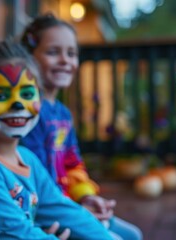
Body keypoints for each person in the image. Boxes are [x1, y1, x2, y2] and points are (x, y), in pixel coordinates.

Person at [0, 39, 113, 240]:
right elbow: (17, 233)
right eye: (1, 95)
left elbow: (62, 209)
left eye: (27, 93)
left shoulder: (27, 158)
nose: (18, 105)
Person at [20, 13, 143, 240]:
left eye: (71, 53)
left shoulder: (63, 113)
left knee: (134, 234)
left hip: (70, 203)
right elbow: (33, 177)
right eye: (53, 52)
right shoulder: (25, 112)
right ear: (30, 57)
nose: (65, 60)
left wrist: (86, 197)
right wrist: (76, 209)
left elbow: (73, 163)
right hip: (46, 210)